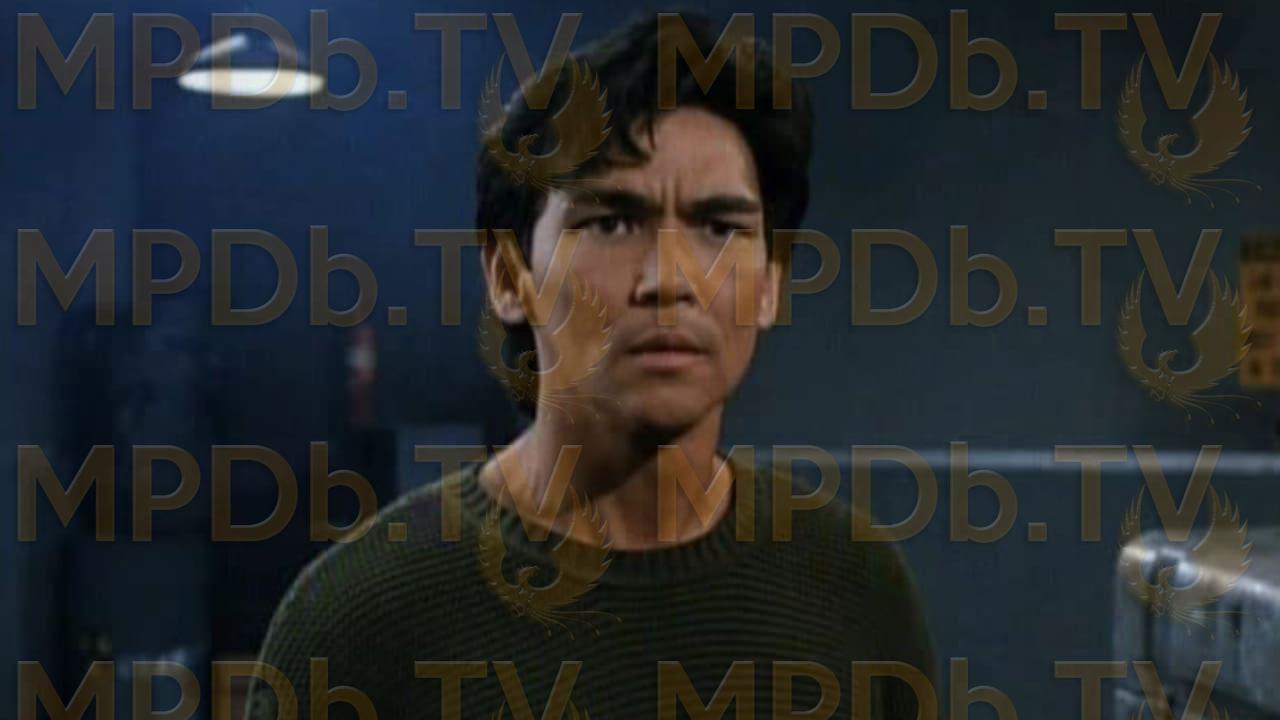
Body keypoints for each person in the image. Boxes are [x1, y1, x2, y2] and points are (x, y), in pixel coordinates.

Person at [244, 11, 935, 719]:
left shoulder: (854, 590)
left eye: (719, 228)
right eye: (611, 223)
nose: (670, 279)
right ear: (508, 275)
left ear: (770, 284)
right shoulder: (361, 625)